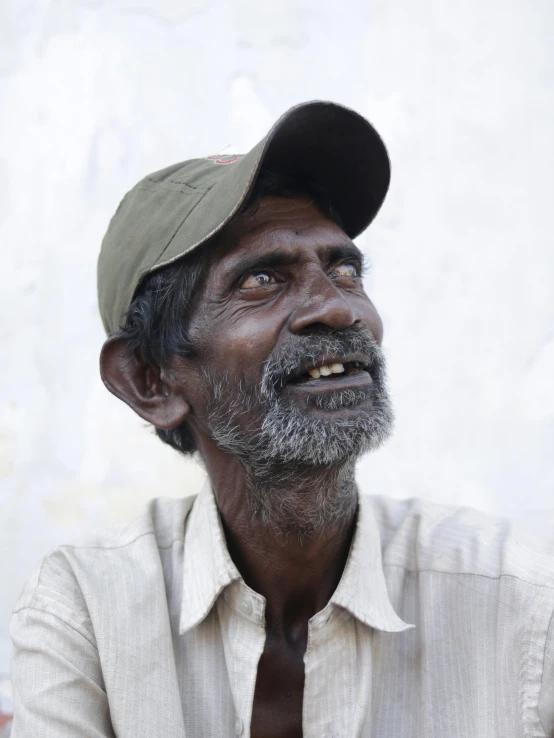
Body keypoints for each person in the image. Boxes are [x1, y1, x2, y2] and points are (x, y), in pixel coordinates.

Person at [10, 101, 554, 738]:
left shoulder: (515, 599)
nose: (336, 308)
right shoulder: (86, 610)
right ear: (151, 380)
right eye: (262, 278)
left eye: (344, 268)